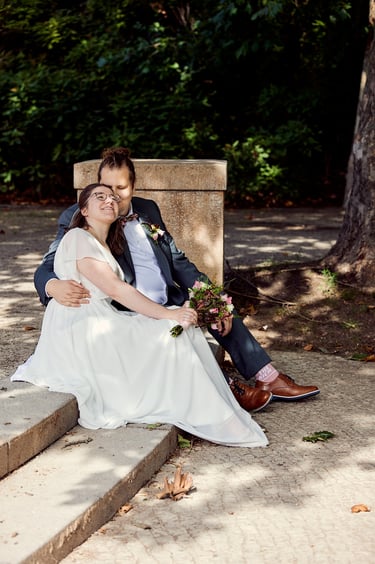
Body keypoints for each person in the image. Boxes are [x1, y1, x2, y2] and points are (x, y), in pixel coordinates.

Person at [34, 147, 320, 412]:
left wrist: (213, 297)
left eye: (121, 188)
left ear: (133, 186)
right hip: (131, 309)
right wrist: (52, 285)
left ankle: (267, 376)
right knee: (180, 330)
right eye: (107, 188)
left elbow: (178, 261)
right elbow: (50, 263)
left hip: (168, 298)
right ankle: (228, 391)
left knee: (216, 307)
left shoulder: (148, 210)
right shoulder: (83, 215)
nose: (114, 197)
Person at [11, 183, 268, 448]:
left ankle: (216, 409)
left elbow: (175, 268)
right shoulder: (78, 237)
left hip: (99, 317)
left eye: (113, 197)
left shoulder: (105, 243)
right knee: (170, 331)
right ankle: (214, 415)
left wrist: (178, 312)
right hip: (79, 324)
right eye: (100, 197)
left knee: (181, 329)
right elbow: (116, 288)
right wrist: (169, 314)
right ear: (84, 209)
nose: (109, 200)